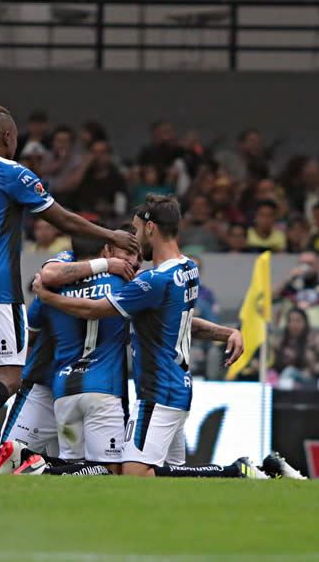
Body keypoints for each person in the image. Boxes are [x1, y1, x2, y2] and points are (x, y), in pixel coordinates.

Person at [0, 104, 139, 475]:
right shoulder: (12, 172)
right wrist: (110, 234)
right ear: (8, 138)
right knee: (10, 378)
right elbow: (60, 217)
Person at [30, 194, 246, 477]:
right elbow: (182, 321)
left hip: (158, 392)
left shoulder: (151, 281)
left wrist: (47, 297)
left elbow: (95, 310)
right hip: (177, 387)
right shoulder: (187, 269)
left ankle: (234, 471)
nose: (132, 239)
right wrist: (228, 332)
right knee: (173, 476)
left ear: (151, 228)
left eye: (135, 230)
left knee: (132, 474)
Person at [0, 228, 139, 476]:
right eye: (127, 253)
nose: (132, 262)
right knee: (105, 470)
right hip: (56, 386)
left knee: (69, 465)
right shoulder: (120, 283)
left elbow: (30, 327)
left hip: (64, 387)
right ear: (108, 250)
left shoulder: (52, 289)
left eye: (138, 257)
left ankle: (43, 473)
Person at [271, 307, 319, 387]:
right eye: (291, 321)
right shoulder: (281, 342)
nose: (294, 325)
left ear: (305, 322)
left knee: (290, 372)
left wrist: (311, 370)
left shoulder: (315, 340)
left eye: (298, 321)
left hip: (311, 381)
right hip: (287, 381)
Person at [72, 139, 127, 216]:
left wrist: (108, 208)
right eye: (94, 152)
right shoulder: (84, 174)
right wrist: (85, 164)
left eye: (102, 152)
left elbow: (121, 207)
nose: (97, 156)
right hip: (82, 216)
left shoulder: (117, 179)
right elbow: (71, 187)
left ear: (109, 155)